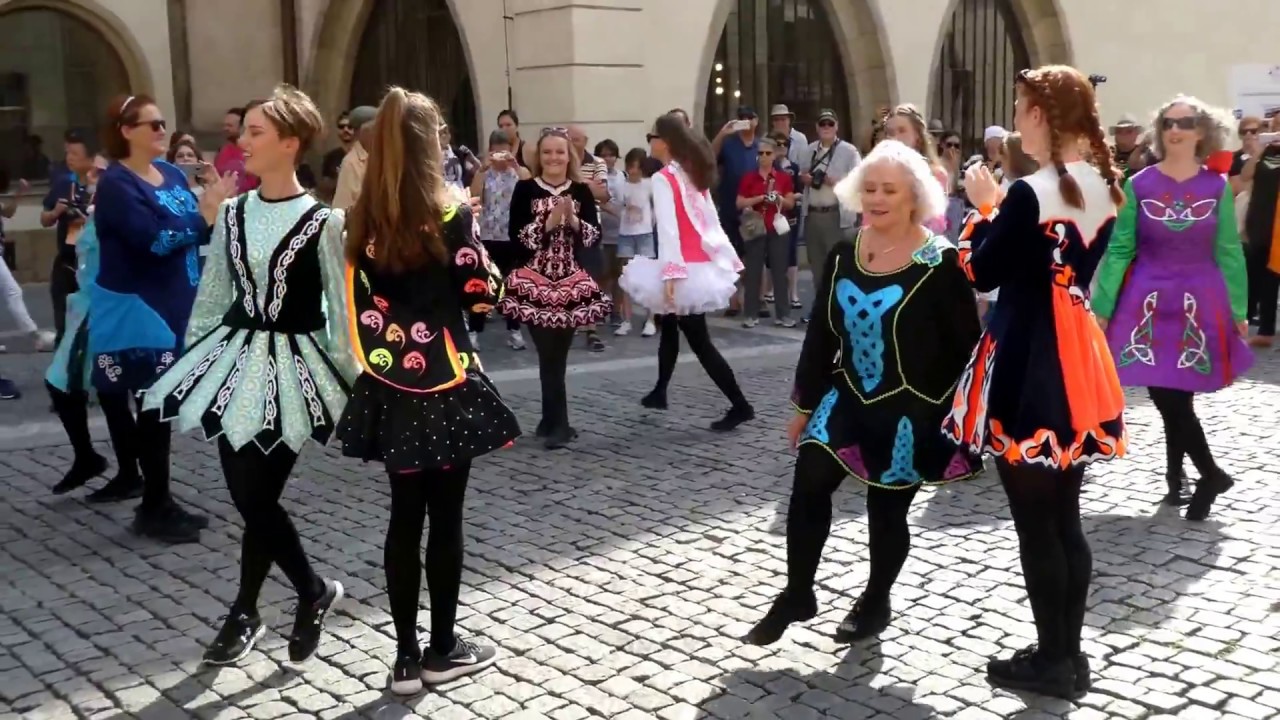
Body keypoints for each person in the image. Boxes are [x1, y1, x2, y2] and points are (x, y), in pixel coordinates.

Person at [142, 85, 353, 664]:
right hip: (236, 364)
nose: (242, 142)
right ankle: (301, 594)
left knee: (257, 499)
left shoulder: (324, 222)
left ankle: (251, 609)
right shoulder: (233, 212)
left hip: (295, 372)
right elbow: (213, 297)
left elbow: (338, 309)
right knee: (249, 497)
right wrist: (196, 364)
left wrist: (350, 389)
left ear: (290, 142)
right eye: (245, 132)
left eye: (256, 133)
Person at [744, 140, 981, 646]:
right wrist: (804, 406)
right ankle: (798, 592)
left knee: (886, 510)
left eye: (888, 190)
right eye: (869, 188)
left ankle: (875, 600)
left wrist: (959, 418)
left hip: (912, 410)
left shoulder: (940, 264)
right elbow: (822, 336)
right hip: (846, 394)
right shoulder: (843, 253)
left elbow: (966, 348)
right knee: (809, 480)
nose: (876, 198)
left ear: (914, 196)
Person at [943, 65, 1126, 699]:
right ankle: (1064, 654)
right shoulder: (1107, 184)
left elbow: (980, 270)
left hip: (1028, 356)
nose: (1017, 118)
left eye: (1021, 107)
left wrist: (983, 208)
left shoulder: (1029, 192)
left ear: (1042, 116)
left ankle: (1055, 660)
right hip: (1077, 351)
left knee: (1035, 523)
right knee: (1065, 517)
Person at [335, 87, 520, 694]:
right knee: (446, 517)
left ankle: (405, 658)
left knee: (402, 518)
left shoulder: (364, 220)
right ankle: (443, 647)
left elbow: (360, 304)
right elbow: (479, 294)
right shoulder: (449, 213)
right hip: (445, 379)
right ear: (427, 144)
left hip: (390, 381)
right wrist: (487, 268)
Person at [1092, 96, 1248, 520]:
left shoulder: (1216, 187)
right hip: (1149, 302)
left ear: (1202, 132)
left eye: (1185, 122)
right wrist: (1103, 304)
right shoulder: (1138, 184)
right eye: (1168, 122)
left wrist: (1237, 309)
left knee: (1176, 398)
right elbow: (1121, 247)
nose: (1175, 130)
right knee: (1166, 394)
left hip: (1199, 301)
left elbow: (1229, 251)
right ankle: (1196, 476)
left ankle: (1193, 476)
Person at [90, 94, 236, 542]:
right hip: (142, 308)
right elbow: (151, 242)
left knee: (163, 409)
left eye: (162, 123)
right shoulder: (117, 184)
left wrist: (216, 206)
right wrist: (204, 212)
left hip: (177, 304)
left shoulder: (171, 173)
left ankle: (160, 498)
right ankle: (154, 504)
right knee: (152, 405)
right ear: (125, 131)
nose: (160, 131)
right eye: (151, 124)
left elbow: (198, 228)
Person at [618, 113, 753, 431]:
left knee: (700, 342)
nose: (649, 141)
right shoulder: (691, 173)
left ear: (663, 142)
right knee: (670, 325)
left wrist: (671, 275)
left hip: (684, 270)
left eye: (652, 136)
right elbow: (709, 222)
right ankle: (660, 391)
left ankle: (740, 404)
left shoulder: (667, 177)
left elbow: (669, 231)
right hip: (697, 267)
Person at [498, 128, 612, 449]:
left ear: (569, 155)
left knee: (557, 356)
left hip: (570, 281)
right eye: (547, 152)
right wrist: (547, 223)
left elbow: (592, 237)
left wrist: (573, 220)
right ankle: (556, 423)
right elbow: (516, 237)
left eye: (560, 152)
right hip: (533, 281)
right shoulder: (524, 189)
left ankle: (554, 422)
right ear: (539, 156)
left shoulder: (580, 190)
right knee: (546, 353)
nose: (553, 158)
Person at [468, 129, 531, 351]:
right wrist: (482, 169)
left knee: (511, 286)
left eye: (504, 150)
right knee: (484, 285)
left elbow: (531, 188)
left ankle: (514, 331)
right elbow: (473, 196)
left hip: (511, 236)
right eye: (496, 150)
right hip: (487, 236)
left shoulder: (519, 171)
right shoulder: (484, 173)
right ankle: (474, 331)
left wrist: (514, 165)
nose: (500, 155)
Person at [41, 133, 96, 345]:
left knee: (89, 327)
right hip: (66, 263)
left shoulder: (102, 186)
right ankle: (59, 373)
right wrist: (56, 212)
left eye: (75, 154)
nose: (69, 158)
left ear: (90, 159)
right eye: (67, 153)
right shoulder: (63, 184)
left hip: (92, 265)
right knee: (64, 326)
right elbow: (44, 219)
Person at [736, 136, 797, 327]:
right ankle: (751, 314)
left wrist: (777, 198)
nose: (763, 156)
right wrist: (760, 198)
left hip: (777, 228)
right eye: (760, 153)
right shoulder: (749, 177)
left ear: (774, 155)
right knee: (753, 271)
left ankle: (783, 314)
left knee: (780, 272)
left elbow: (790, 203)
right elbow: (739, 202)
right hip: (756, 228)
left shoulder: (783, 178)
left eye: (767, 153)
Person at [612, 147, 657, 337]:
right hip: (626, 234)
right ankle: (627, 319)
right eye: (631, 166)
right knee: (626, 278)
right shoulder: (621, 184)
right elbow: (616, 205)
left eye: (638, 167)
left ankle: (651, 320)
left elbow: (657, 207)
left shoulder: (650, 184)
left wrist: (653, 223)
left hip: (645, 233)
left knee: (649, 279)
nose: (634, 171)